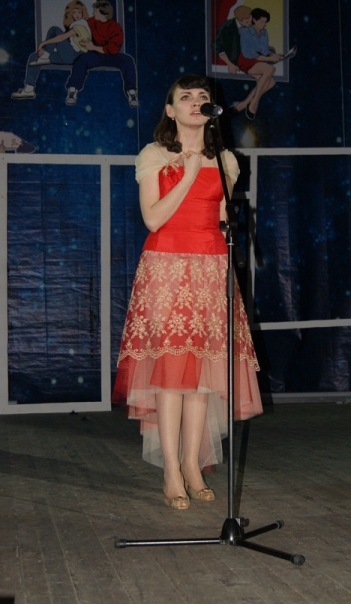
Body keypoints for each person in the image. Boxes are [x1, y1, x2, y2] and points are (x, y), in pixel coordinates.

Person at [112, 74, 263, 510]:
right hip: (167, 268)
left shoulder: (226, 160)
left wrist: (226, 227)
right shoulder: (154, 155)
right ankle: (172, 473)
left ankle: (193, 465)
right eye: (186, 97)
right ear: (170, 110)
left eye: (203, 97)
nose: (196, 103)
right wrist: (189, 173)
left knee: (201, 378)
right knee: (171, 373)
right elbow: (153, 219)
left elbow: (221, 219)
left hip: (211, 268)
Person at [65, 0, 138, 108]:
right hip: (95, 55)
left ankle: (131, 93)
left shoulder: (115, 27)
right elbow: (79, 27)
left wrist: (93, 47)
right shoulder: (91, 22)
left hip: (111, 56)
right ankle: (72, 90)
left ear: (104, 14)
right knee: (81, 61)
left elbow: (113, 49)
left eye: (95, 11)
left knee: (128, 61)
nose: (93, 13)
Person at [11, 0, 90, 101]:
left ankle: (46, 54)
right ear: (71, 13)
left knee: (55, 30)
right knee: (34, 57)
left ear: (83, 13)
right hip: (68, 56)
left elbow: (61, 38)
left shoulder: (82, 24)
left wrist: (44, 43)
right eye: (74, 12)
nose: (77, 14)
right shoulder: (73, 25)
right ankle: (29, 89)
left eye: (79, 12)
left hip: (76, 56)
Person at [237, 8, 283, 119]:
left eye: (265, 22)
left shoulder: (263, 32)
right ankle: (254, 102)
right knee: (270, 69)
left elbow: (265, 50)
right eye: (262, 21)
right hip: (245, 60)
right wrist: (268, 58)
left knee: (271, 82)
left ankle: (245, 103)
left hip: (257, 60)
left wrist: (273, 55)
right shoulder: (245, 32)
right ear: (254, 20)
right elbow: (248, 54)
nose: (264, 24)